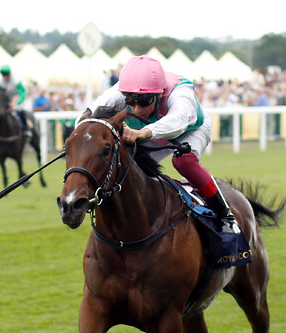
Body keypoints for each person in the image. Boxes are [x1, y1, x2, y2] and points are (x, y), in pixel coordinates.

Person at [79, 55, 237, 233]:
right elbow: (89, 114)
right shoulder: (121, 90)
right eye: (131, 102)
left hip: (190, 129)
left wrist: (141, 133)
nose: (137, 109)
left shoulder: (180, 92)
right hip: (148, 130)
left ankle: (225, 214)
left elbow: (179, 121)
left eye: (145, 101)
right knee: (126, 164)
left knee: (184, 162)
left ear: (160, 94)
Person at [0, 64, 32, 136]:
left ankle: (25, 130)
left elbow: (23, 93)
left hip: (18, 100)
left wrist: (16, 102)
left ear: (9, 73)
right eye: (3, 74)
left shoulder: (17, 80)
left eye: (6, 74)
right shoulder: (0, 81)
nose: (4, 76)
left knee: (19, 112)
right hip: (7, 101)